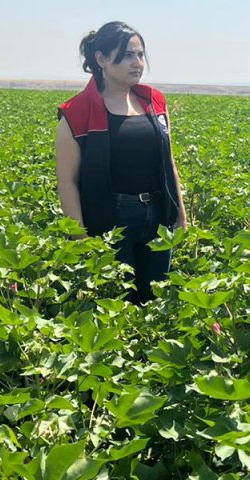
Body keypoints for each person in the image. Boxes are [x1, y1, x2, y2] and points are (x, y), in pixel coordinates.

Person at [56, 21, 187, 304]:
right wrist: (79, 237)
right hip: (109, 216)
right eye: (128, 55)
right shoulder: (76, 112)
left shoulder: (154, 102)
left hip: (156, 213)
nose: (137, 63)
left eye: (140, 55)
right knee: (117, 301)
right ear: (101, 59)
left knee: (156, 298)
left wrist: (181, 214)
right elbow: (67, 180)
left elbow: (169, 161)